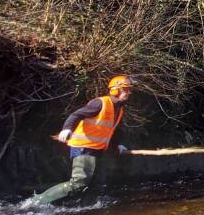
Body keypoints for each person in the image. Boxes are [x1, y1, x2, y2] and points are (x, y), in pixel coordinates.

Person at [32, 75, 134, 205]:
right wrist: (67, 129)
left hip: (98, 150)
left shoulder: (119, 110)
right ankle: (38, 201)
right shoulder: (100, 103)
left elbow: (110, 131)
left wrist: (117, 145)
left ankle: (86, 208)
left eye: (129, 90)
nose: (128, 92)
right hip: (84, 148)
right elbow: (76, 114)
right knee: (79, 183)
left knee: (98, 184)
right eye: (125, 89)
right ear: (115, 90)